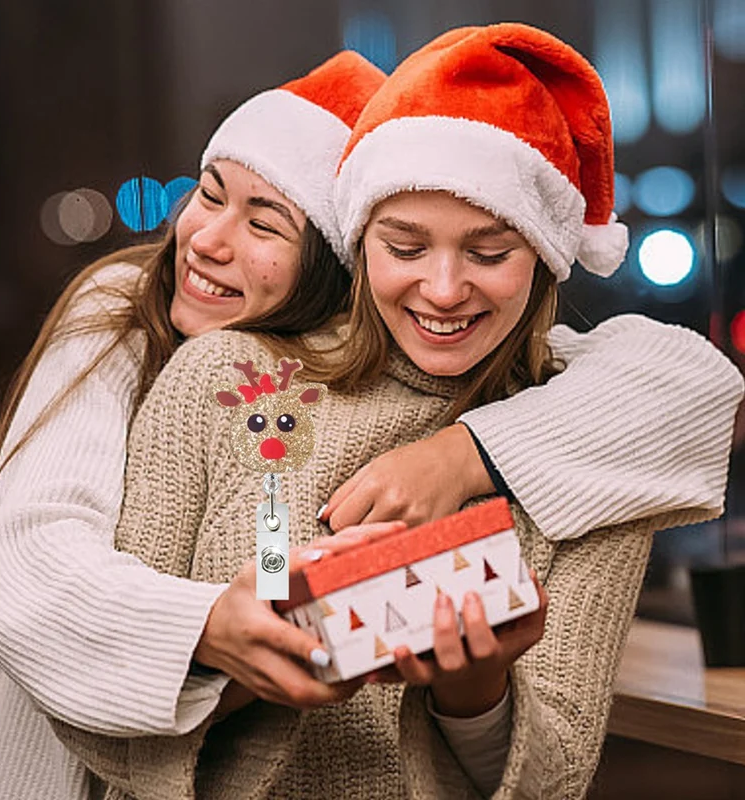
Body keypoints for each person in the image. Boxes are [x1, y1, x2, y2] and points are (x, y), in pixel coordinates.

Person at [50, 23, 743, 800]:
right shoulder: (223, 379)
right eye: (405, 248)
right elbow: (95, 713)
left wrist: (477, 694)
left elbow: (554, 780)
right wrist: (238, 661)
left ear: (546, 256)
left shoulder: (594, 459)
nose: (444, 289)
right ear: (358, 245)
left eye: (488, 253)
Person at [0, 51, 387, 800]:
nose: (208, 240)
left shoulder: (347, 379)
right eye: (209, 195)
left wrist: (465, 453)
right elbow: (26, 556)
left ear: (330, 267)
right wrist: (208, 624)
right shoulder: (122, 307)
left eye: (264, 223)